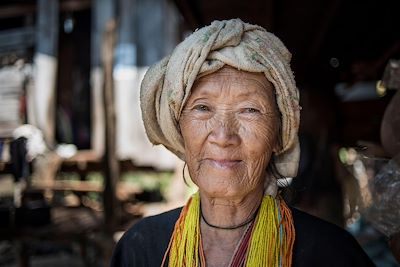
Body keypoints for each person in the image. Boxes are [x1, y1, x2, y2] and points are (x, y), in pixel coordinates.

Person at [110, 19, 375, 267]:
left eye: (249, 110)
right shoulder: (141, 249)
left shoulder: (330, 254)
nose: (224, 136)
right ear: (179, 129)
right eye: (203, 108)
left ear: (278, 133)